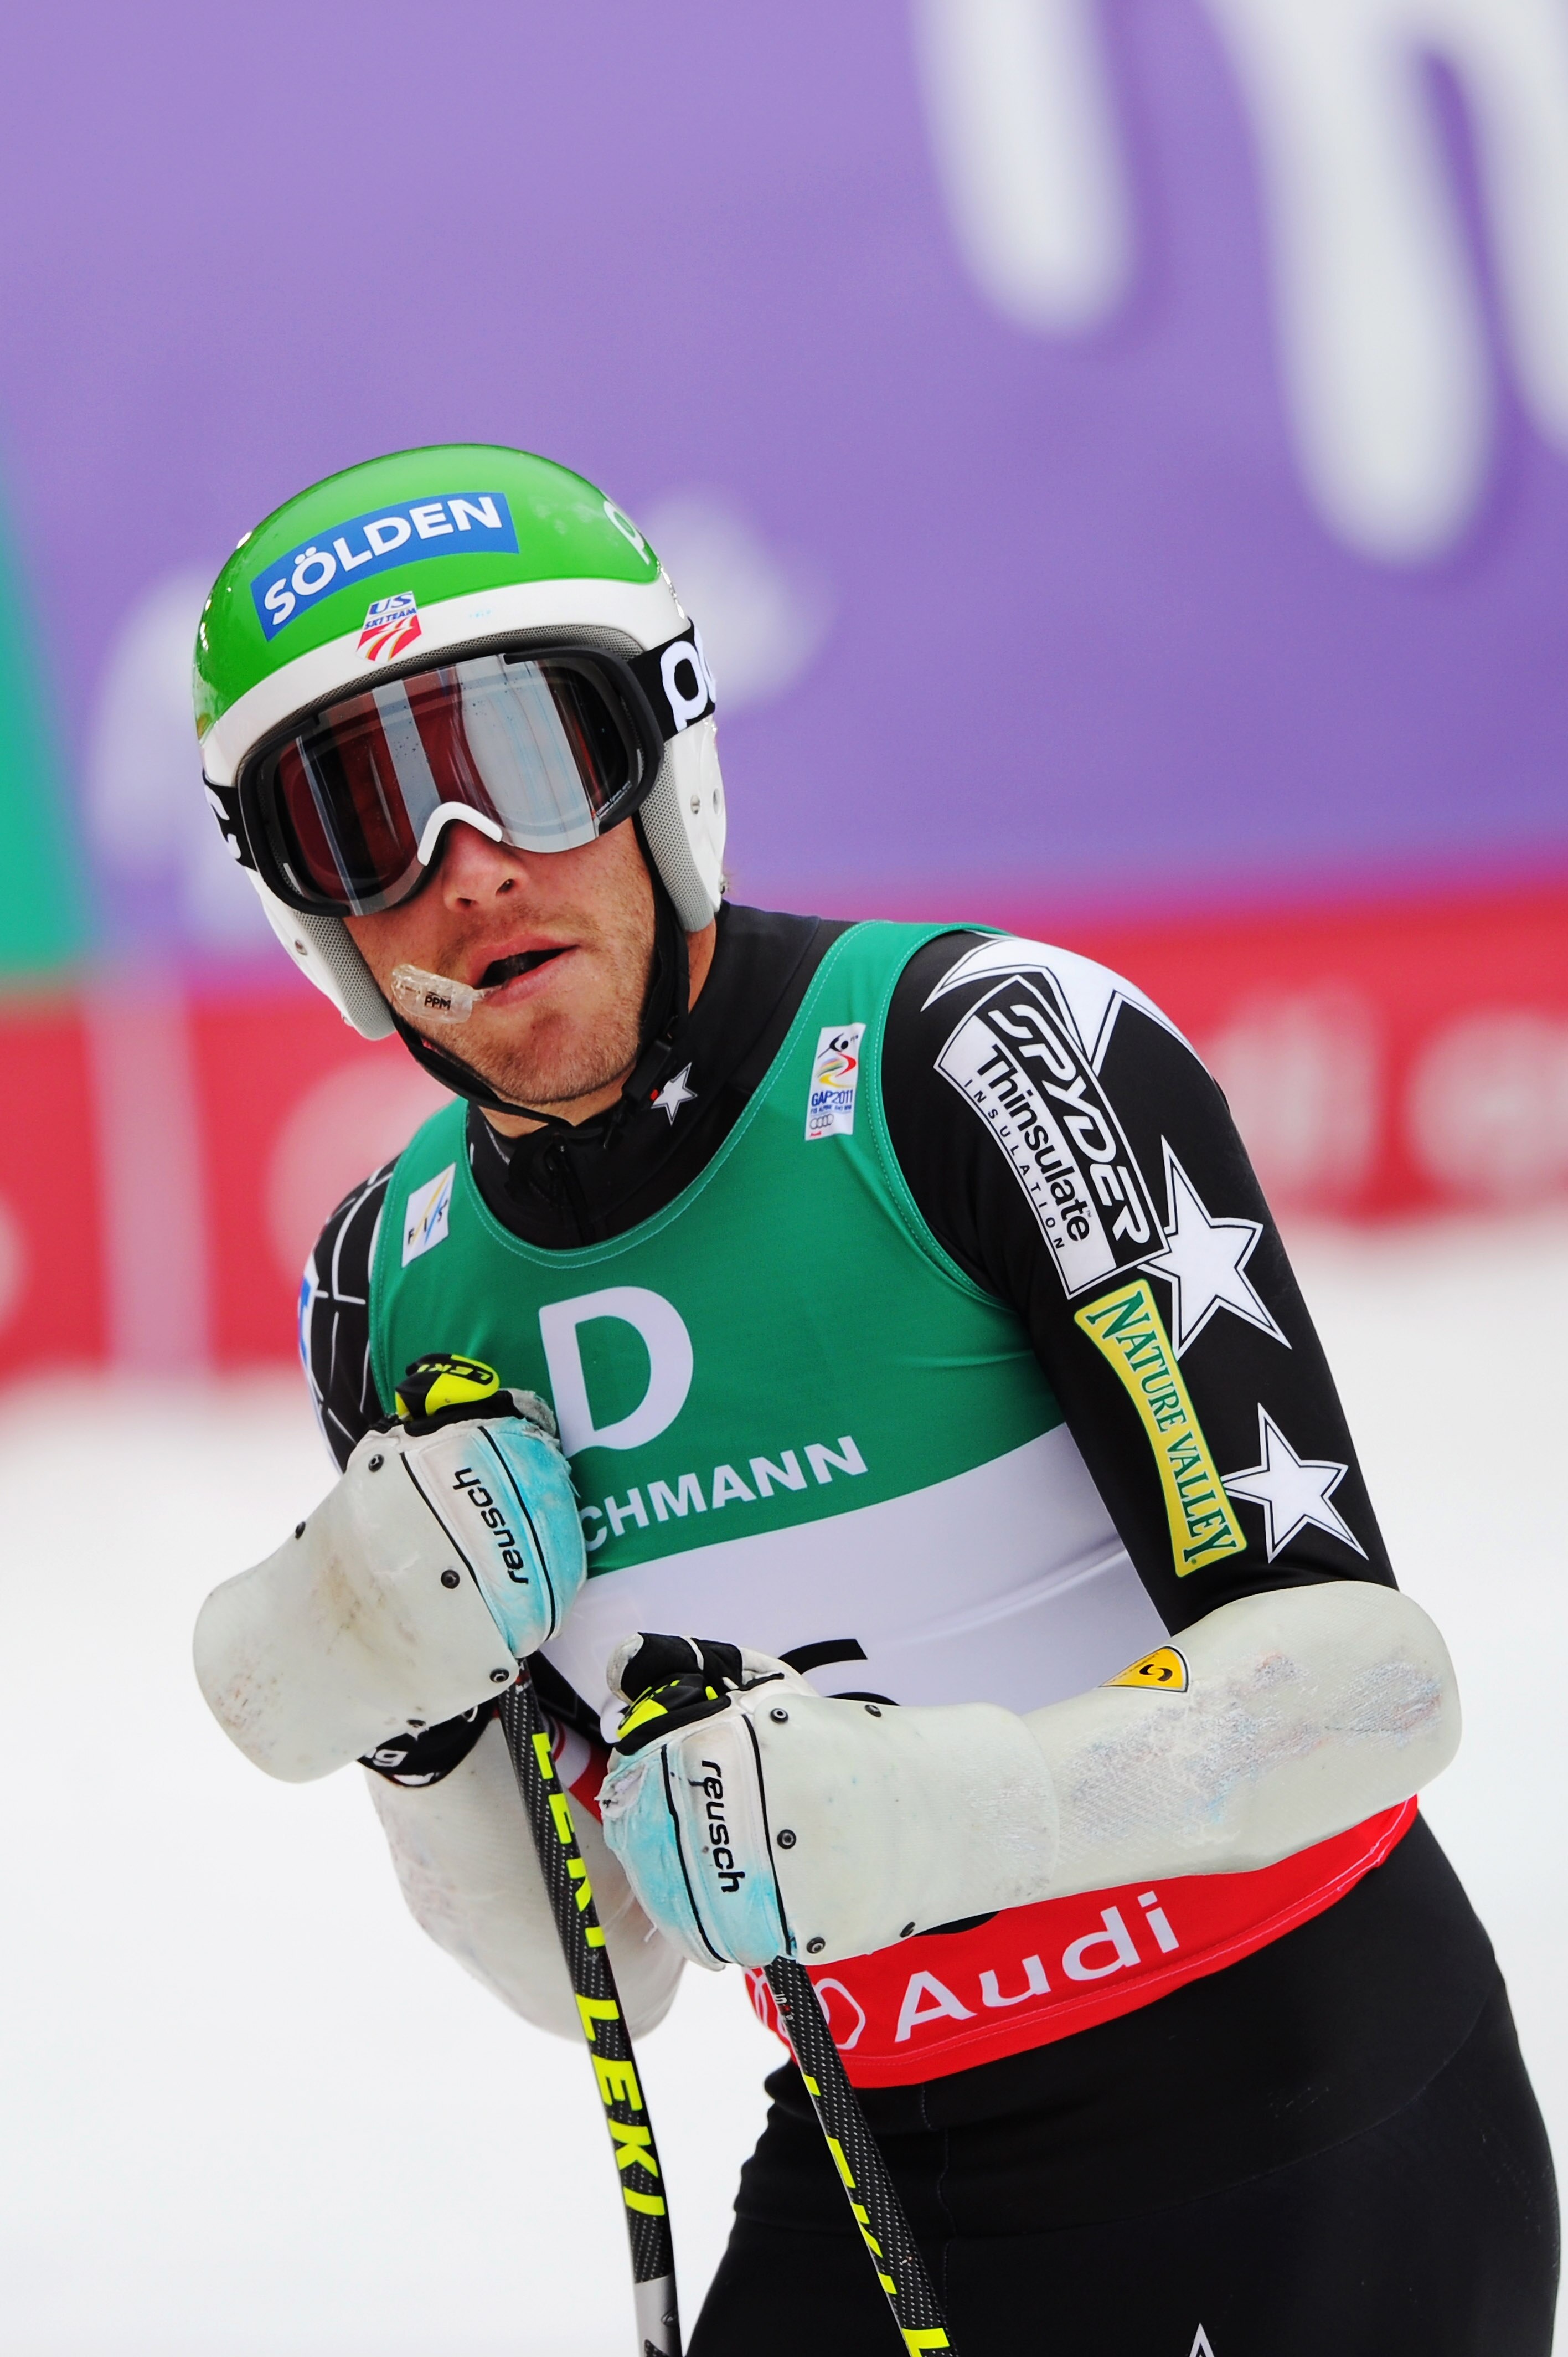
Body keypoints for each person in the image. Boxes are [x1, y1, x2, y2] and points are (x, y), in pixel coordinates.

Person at [191, 444, 1558, 2354]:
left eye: (521, 756)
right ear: (304, 911)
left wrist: (941, 1816)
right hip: (880, 2149)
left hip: (1314, 2118)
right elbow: (598, 1964)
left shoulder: (987, 1057)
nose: (463, 869)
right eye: (361, 818)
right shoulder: (392, 1280)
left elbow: (1363, 1692)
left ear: (662, 757)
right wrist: (393, 1707)